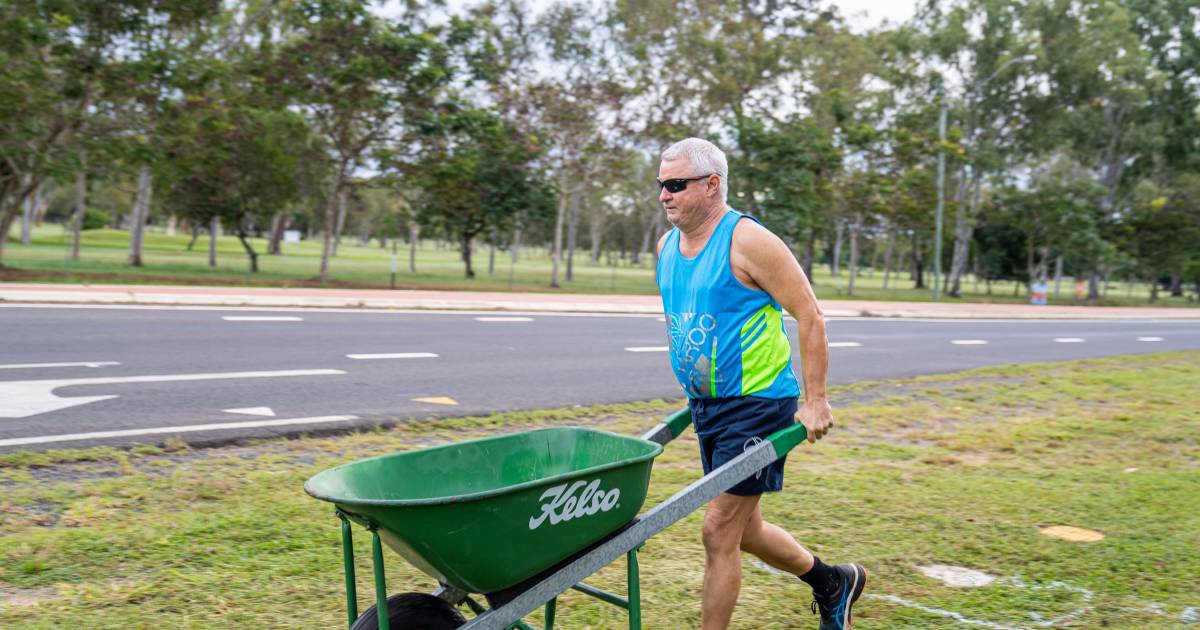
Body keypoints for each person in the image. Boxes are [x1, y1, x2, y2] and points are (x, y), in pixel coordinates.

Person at [654, 138, 866, 630]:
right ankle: (833, 582)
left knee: (718, 530)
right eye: (661, 184)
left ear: (712, 185)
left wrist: (816, 400)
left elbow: (809, 314)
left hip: (758, 405)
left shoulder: (747, 241)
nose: (664, 194)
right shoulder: (666, 247)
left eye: (675, 184)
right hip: (709, 409)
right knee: (747, 531)